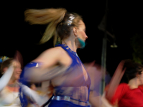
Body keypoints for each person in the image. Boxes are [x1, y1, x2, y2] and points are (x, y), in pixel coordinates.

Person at [21, 7, 105, 107]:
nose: (86, 36)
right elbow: (30, 71)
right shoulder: (59, 52)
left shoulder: (77, 60)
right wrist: (60, 71)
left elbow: (89, 96)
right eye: (84, 30)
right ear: (75, 31)